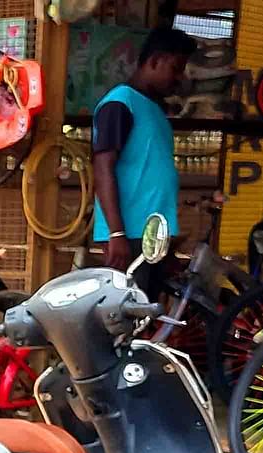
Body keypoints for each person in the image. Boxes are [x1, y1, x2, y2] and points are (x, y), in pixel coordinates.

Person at [92, 28, 197, 276]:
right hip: (130, 234)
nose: (180, 77)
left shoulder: (154, 110)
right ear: (155, 60)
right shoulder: (120, 103)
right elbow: (102, 168)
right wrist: (116, 233)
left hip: (151, 235)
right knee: (129, 309)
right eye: (176, 68)